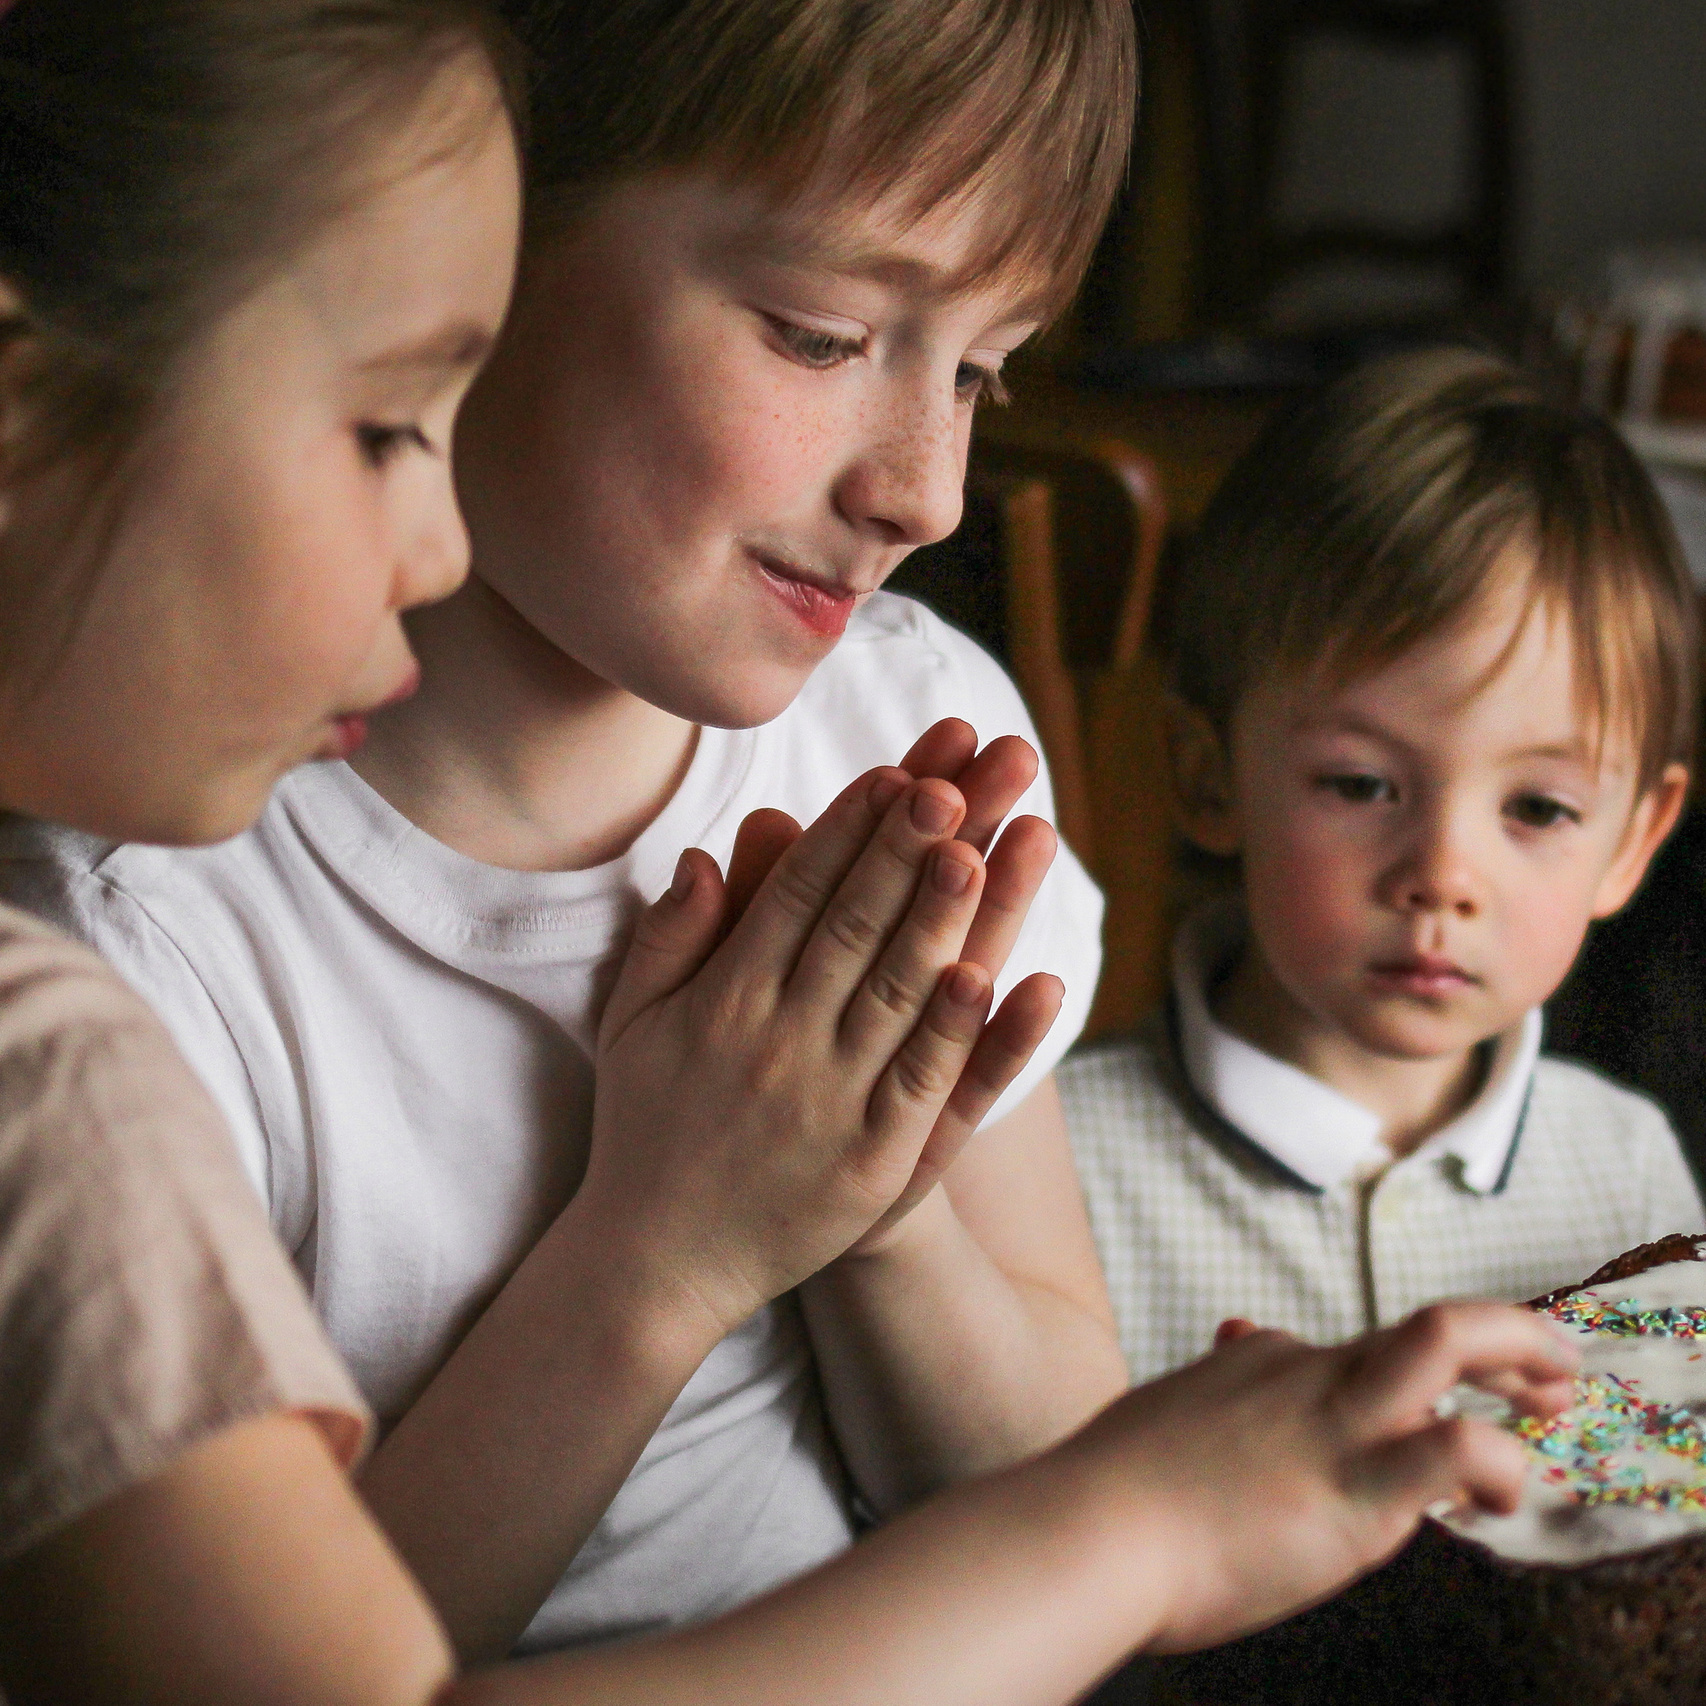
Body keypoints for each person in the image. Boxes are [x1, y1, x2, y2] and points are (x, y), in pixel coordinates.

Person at [0, 4, 1580, 1702]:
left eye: (983, 373)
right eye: (821, 335)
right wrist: (670, 1243)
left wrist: (868, 1196)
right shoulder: (131, 925)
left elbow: (1036, 1461)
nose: (929, 492)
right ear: (481, 244)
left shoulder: (903, 729)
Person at [1062, 348, 1706, 1387]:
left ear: (1630, 840)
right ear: (1208, 775)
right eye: (1360, 785)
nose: (1442, 875)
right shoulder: (1061, 1163)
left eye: (1536, 807)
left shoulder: (1626, 1170)